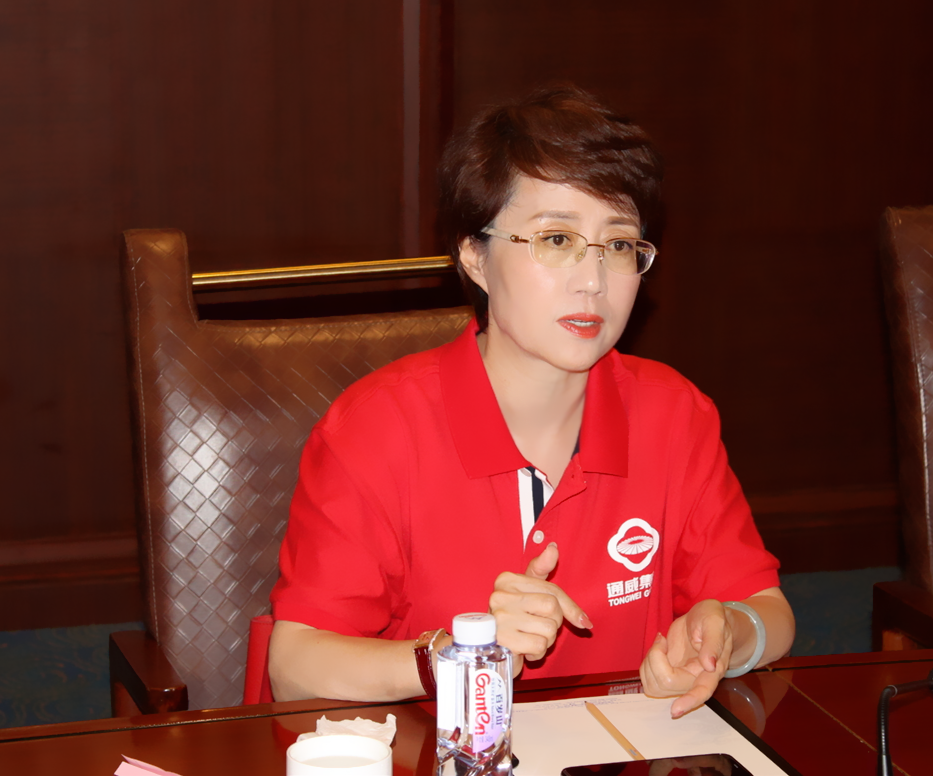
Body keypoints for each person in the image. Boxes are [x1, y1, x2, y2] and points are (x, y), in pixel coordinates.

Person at [268, 84, 795, 719]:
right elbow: (293, 666)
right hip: (433, 751)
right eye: (556, 240)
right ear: (475, 256)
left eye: (618, 245)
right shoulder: (376, 429)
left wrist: (728, 633)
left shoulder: (673, 415)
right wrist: (460, 657)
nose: (593, 281)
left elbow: (770, 612)